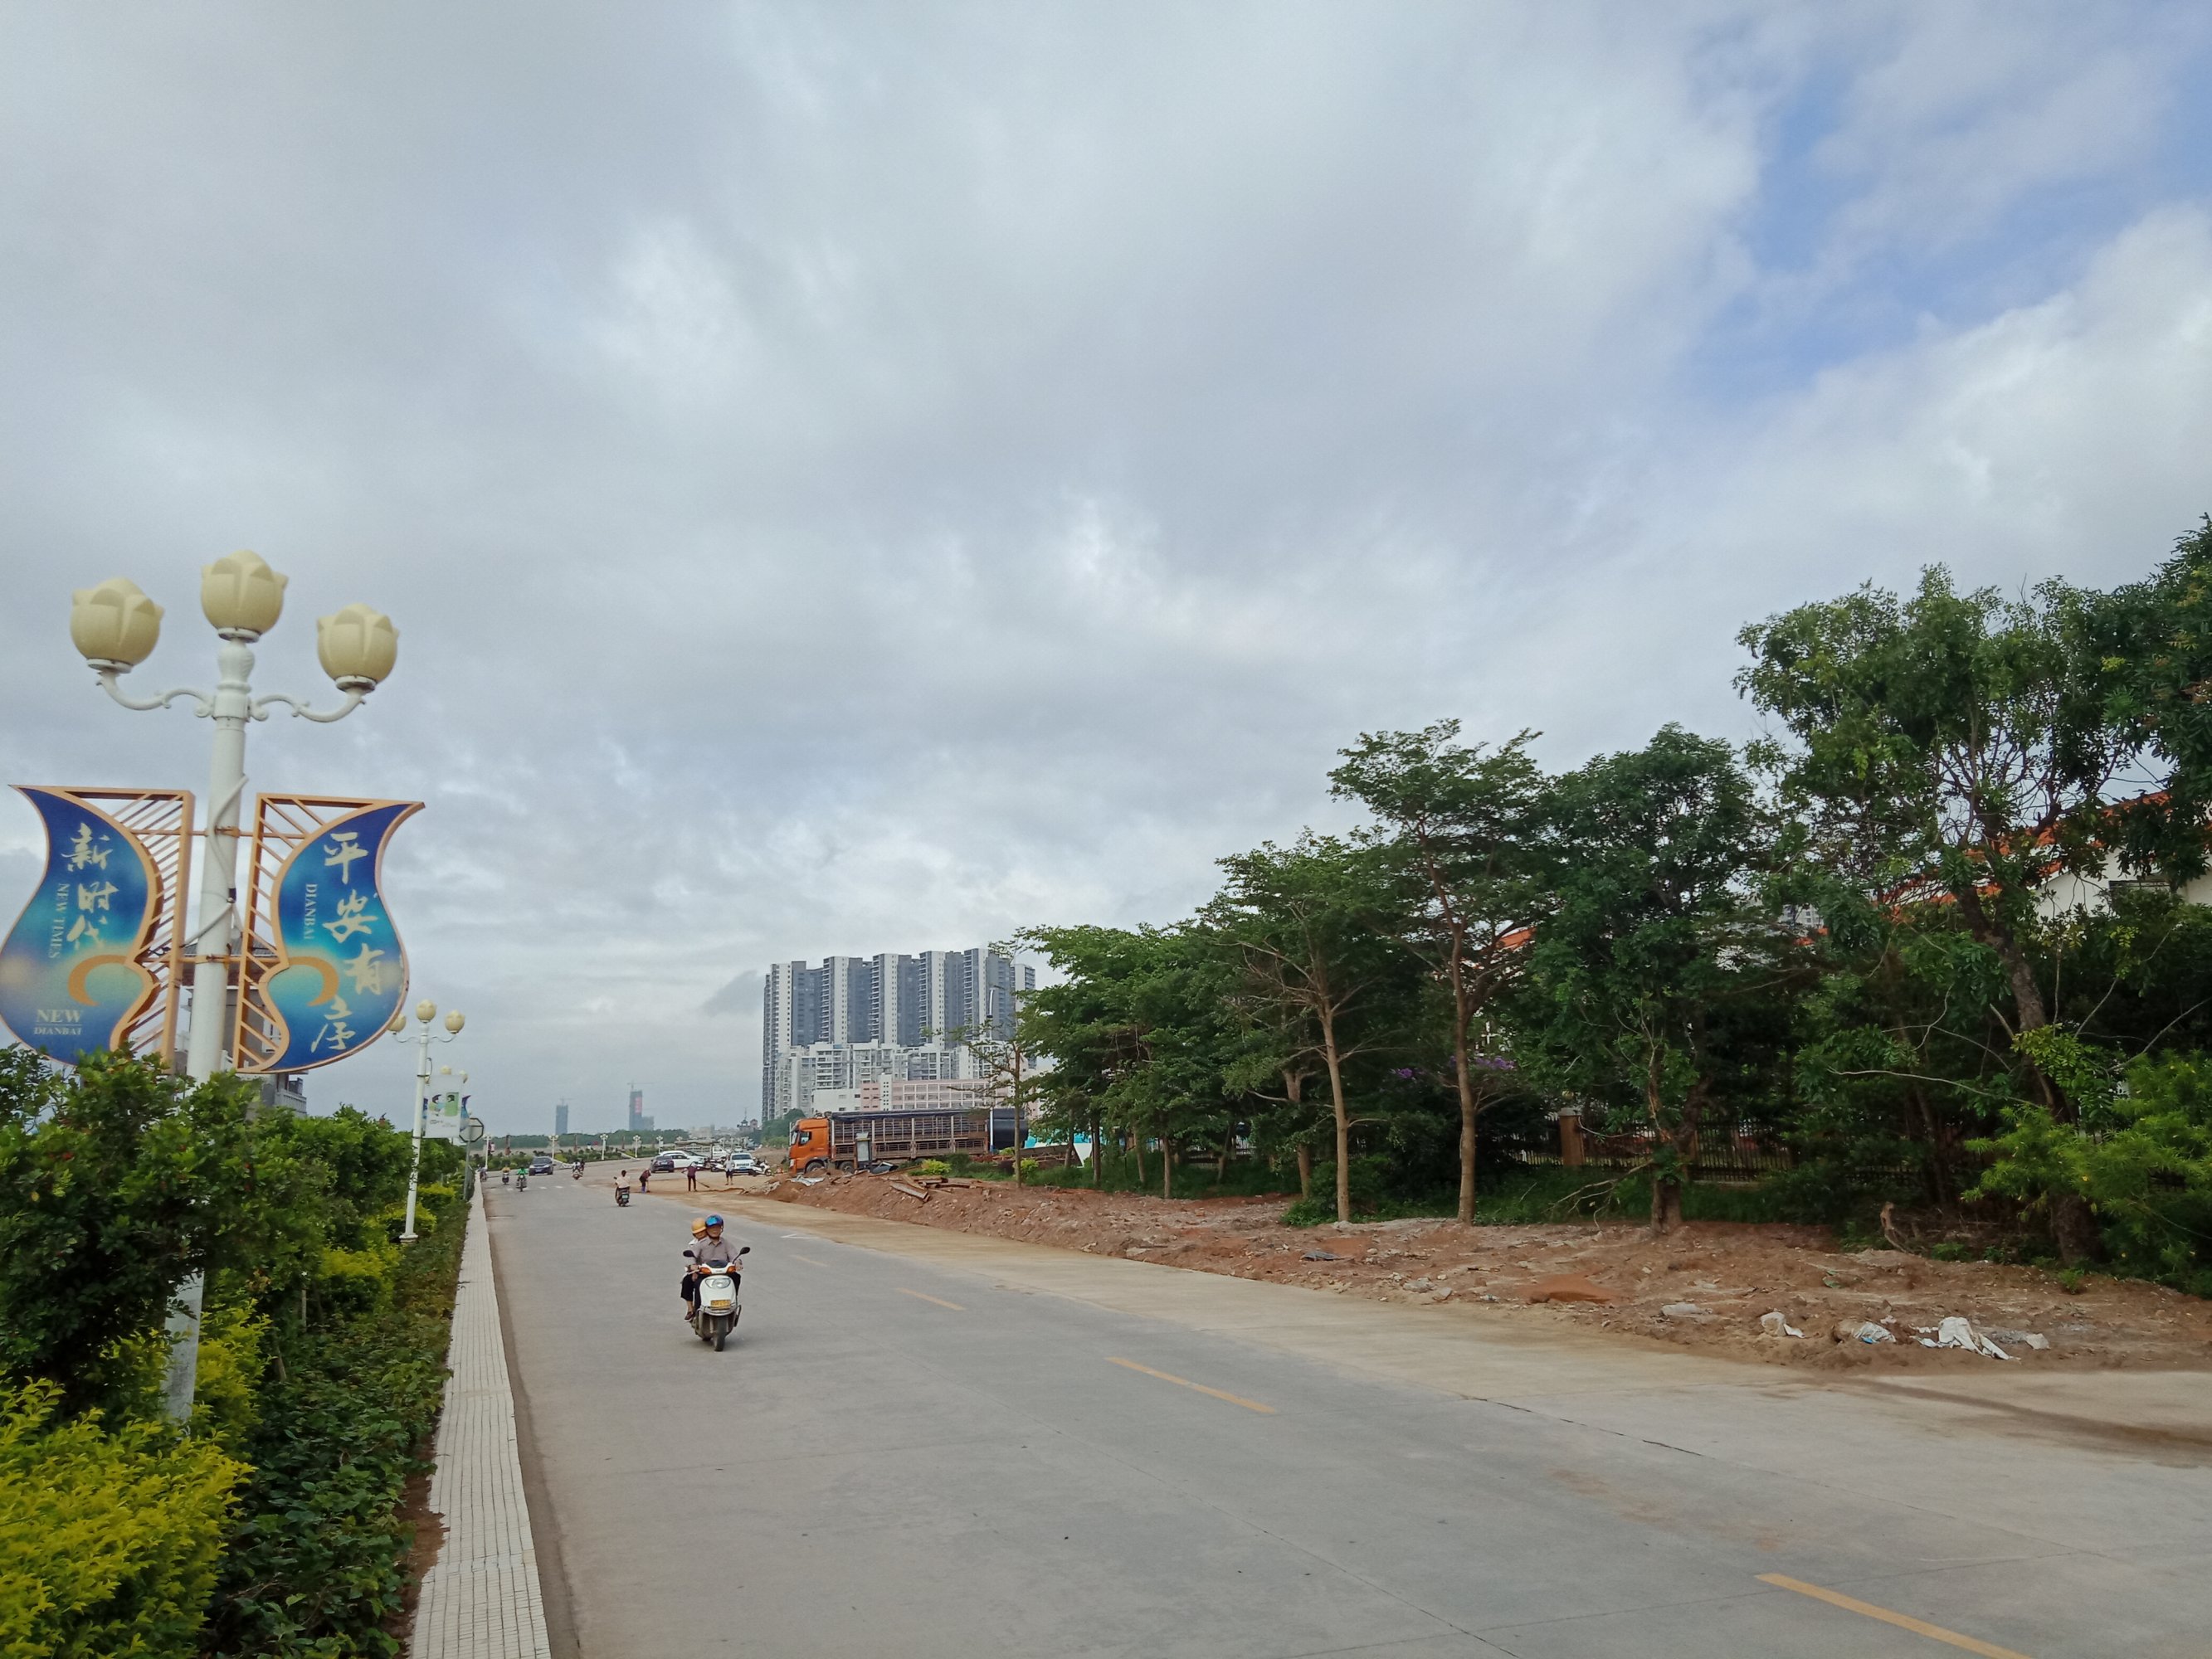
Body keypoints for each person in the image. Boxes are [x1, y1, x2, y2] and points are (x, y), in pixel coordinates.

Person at [680, 1214, 743, 1321]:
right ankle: (694, 1310)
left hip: (724, 1273)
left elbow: (734, 1256)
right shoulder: (701, 1244)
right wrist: (693, 1265)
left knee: (736, 1277)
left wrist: (738, 1263)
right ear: (707, 1229)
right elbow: (692, 1256)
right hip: (705, 1273)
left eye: (717, 1227)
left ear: (721, 1228)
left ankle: (732, 1304)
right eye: (712, 1228)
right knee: (690, 1281)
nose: (715, 1230)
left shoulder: (726, 1243)